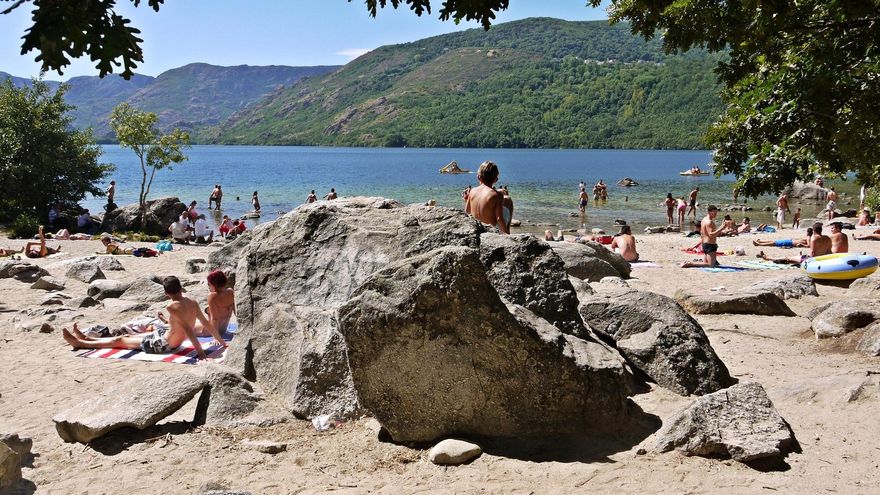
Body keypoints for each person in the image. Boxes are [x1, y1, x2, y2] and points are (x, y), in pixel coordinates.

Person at [61, 276, 225, 360]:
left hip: (164, 345)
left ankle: (81, 343)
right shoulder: (193, 302)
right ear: (181, 288)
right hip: (165, 338)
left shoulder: (172, 306)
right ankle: (87, 338)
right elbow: (206, 324)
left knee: (120, 341)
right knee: (128, 336)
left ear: (166, 293)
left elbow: (189, 330)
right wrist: (222, 342)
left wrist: (201, 354)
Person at [465, 160, 509, 234]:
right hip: (491, 229)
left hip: (477, 227)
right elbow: (499, 219)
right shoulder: (497, 195)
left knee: (507, 200)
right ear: (496, 180)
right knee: (508, 200)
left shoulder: (472, 191)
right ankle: (508, 230)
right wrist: (507, 235)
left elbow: (467, 212)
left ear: (478, 177)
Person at [759, 223, 831, 264]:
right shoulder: (827, 238)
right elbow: (829, 252)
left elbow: (812, 252)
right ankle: (798, 256)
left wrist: (806, 258)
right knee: (796, 258)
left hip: (811, 260)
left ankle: (768, 258)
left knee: (787, 258)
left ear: (814, 230)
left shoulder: (814, 238)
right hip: (822, 259)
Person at [196, 270, 235, 335]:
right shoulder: (230, 292)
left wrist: (216, 338)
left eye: (209, 284)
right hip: (223, 330)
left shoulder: (212, 296)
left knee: (186, 324)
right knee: (196, 321)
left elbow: (215, 319)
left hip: (210, 331)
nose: (208, 286)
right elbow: (235, 311)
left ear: (214, 284)